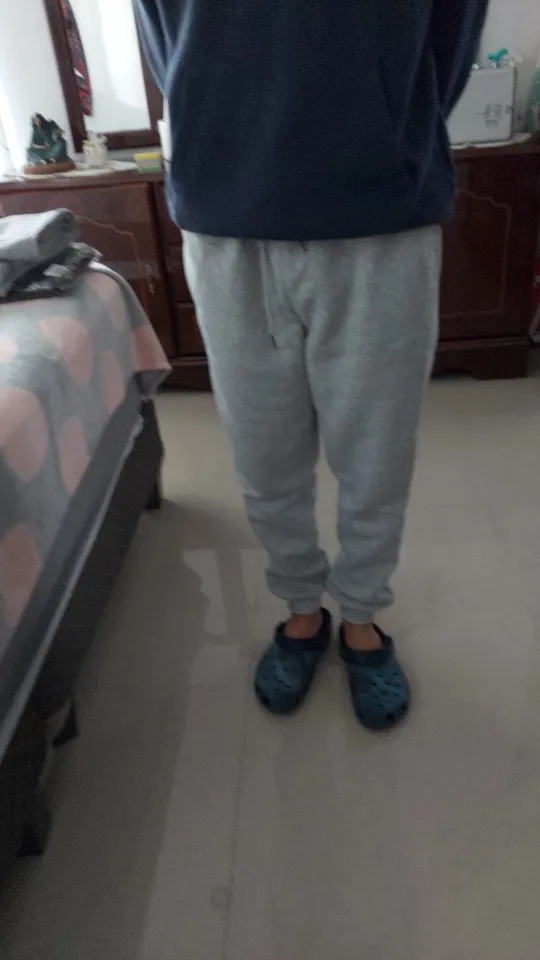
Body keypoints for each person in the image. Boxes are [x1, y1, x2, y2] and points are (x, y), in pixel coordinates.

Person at [135, 0, 488, 730]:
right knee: (263, 451)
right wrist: (216, 120)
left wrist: (388, 123)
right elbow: (164, 30)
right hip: (227, 211)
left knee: (376, 453)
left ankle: (361, 616)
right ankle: (302, 607)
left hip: (379, 213)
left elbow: (452, 31)